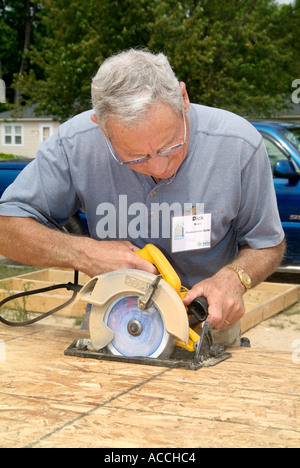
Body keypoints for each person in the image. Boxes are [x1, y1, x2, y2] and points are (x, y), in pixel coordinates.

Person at [0, 49, 285, 346]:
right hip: (114, 325)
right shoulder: (75, 144)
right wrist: (84, 253)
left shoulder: (238, 146)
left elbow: (267, 244)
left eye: (170, 146)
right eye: (134, 157)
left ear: (183, 99)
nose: (160, 167)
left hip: (205, 329)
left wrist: (235, 278)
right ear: (101, 127)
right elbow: (6, 229)